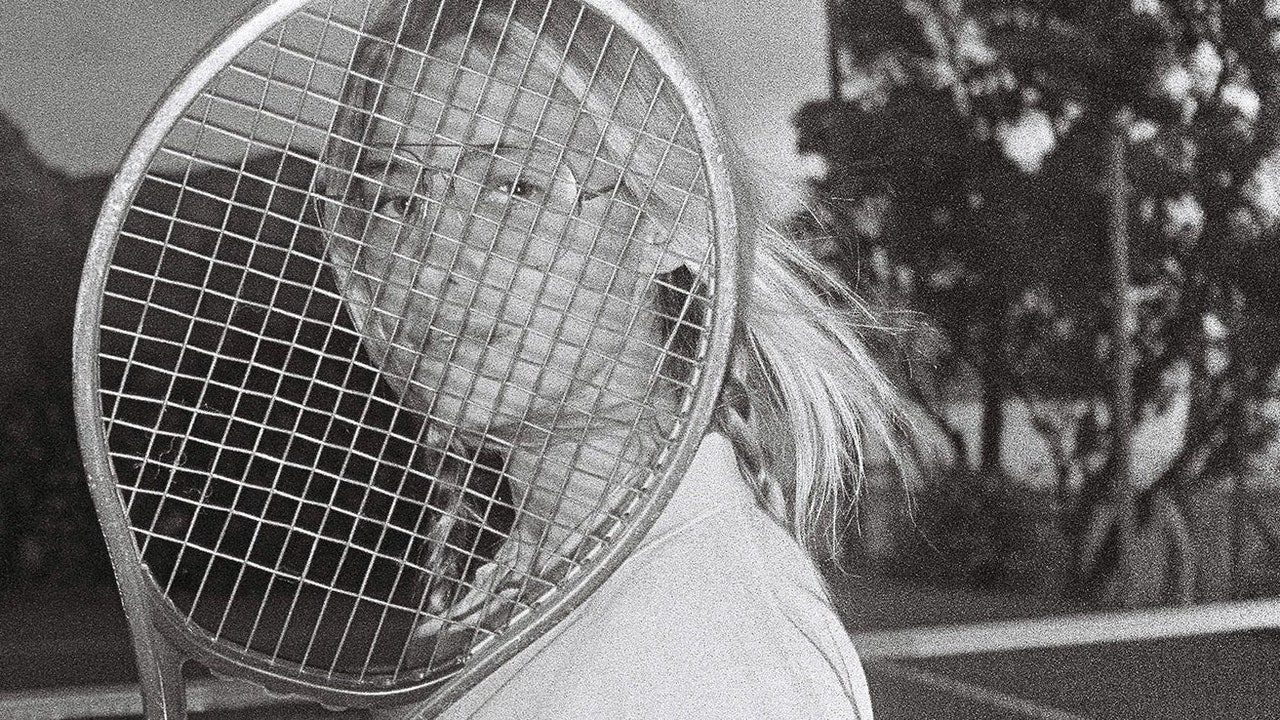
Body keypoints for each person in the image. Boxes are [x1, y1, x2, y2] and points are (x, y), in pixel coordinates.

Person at [317, 0, 906, 716]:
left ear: (667, 224)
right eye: (395, 199)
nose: (429, 261)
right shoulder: (541, 573)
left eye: (514, 188)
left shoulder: (706, 658)